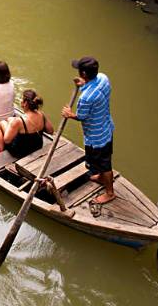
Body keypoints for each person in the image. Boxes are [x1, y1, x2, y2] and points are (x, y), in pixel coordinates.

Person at [61, 56, 115, 204]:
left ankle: (110, 192)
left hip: (96, 137)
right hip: (106, 127)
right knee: (102, 161)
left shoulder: (85, 98)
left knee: (104, 164)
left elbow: (82, 116)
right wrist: (84, 84)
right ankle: (102, 177)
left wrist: (69, 114)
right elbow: (94, 88)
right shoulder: (103, 78)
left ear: (84, 74)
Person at [0, 89, 54, 157]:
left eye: (22, 99)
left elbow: (7, 140)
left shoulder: (19, 121)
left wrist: (11, 126)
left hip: (20, 152)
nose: (20, 101)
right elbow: (51, 131)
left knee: (2, 123)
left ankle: (0, 152)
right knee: (10, 119)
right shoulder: (42, 114)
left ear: (25, 103)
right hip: (37, 147)